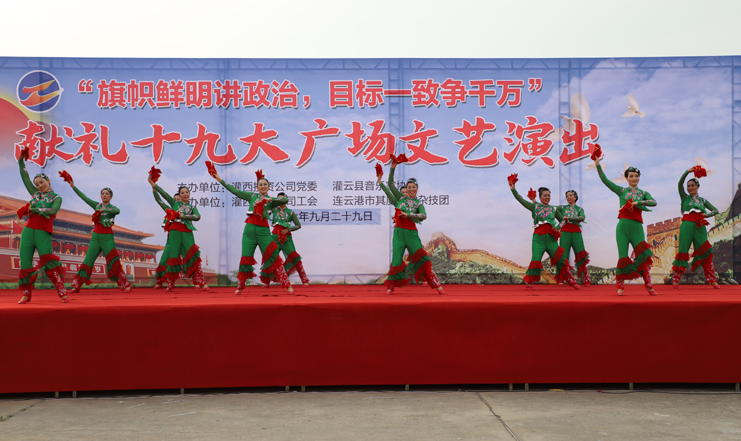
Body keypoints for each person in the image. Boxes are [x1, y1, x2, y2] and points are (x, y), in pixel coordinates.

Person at [209, 168, 293, 294]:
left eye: (265, 184)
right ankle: (240, 285)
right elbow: (235, 191)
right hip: (249, 231)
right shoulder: (252, 196)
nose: (263, 186)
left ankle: (287, 284)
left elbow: (285, 200)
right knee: (245, 257)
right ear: (257, 187)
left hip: (263, 232)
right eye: (260, 185)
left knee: (273, 256)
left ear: (268, 187)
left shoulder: (271, 201)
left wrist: (271, 199)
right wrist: (219, 179)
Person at [377, 158, 444, 295]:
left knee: (422, 258)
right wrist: (392, 168)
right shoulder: (401, 199)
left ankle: (436, 285)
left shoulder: (418, 204)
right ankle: (391, 286)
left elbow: (423, 216)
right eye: (409, 187)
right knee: (396, 259)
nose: (411, 189)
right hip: (398, 234)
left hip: (411, 234)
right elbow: (390, 185)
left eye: (414, 187)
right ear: (406, 189)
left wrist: (408, 215)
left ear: (417, 189)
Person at [594, 155, 657, 295]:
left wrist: (638, 202)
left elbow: (654, 202)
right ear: (626, 178)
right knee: (622, 256)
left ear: (639, 178)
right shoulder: (622, 191)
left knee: (642, 257)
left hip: (637, 228)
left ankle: (648, 284)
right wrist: (597, 165)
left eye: (636, 176)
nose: (634, 178)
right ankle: (620, 285)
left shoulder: (643, 193)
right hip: (622, 228)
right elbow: (605, 181)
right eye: (631, 176)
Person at [16, 152, 67, 304]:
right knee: (25, 262)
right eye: (37, 184)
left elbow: (52, 211)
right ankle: (26, 293)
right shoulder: (35, 194)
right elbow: (25, 177)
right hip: (28, 231)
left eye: (41, 182)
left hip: (43, 232)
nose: (39, 186)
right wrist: (21, 162)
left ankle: (61, 290)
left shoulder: (56, 198)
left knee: (48, 261)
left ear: (48, 181)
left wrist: (35, 209)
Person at [66, 175, 132, 293]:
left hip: (107, 238)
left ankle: (124, 284)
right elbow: (84, 197)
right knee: (88, 260)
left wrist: (104, 210)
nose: (104, 195)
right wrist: (73, 187)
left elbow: (117, 211)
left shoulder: (112, 208)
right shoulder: (96, 205)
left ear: (111, 196)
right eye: (102, 193)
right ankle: (77, 285)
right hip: (95, 237)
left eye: (107, 194)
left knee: (113, 261)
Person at [509, 181, 579, 290]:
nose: (547, 197)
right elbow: (521, 200)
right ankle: (530, 281)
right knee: (535, 260)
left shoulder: (553, 209)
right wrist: (513, 189)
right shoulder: (535, 207)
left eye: (549, 195)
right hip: (538, 240)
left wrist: (558, 227)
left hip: (551, 240)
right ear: (540, 197)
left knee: (560, 259)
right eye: (545, 195)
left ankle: (570, 279)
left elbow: (563, 220)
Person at [148, 174, 209, 292]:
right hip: (175, 231)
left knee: (192, 256)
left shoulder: (192, 207)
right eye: (182, 193)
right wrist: (152, 184)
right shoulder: (174, 204)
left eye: (187, 192)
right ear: (179, 195)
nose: (185, 194)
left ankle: (201, 282)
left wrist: (184, 216)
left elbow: (197, 217)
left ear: (189, 194)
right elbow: (163, 194)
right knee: (174, 256)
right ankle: (170, 283)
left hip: (187, 232)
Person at [671, 167, 720, 288]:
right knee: (683, 250)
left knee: (704, 251)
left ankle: (712, 279)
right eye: (688, 186)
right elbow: (680, 183)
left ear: (697, 186)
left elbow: (715, 210)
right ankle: (676, 279)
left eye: (692, 185)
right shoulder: (684, 198)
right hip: (686, 225)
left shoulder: (703, 200)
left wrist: (707, 215)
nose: (690, 187)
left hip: (700, 226)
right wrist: (688, 171)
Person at [269, 192, 310, 287]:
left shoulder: (290, 212)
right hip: (275, 237)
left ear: (286, 200)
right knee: (271, 257)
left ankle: (304, 280)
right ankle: (267, 281)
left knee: (294, 257)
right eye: (278, 199)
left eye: (282, 199)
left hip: (287, 238)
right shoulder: (274, 209)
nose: (280, 201)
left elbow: (298, 225)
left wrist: (288, 230)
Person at [557, 190, 591, 286]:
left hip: (576, 232)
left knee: (580, 253)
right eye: (567, 196)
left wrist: (570, 218)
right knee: (563, 254)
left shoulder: (579, 209)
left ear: (575, 197)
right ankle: (562, 277)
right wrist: (535, 202)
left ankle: (584, 277)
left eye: (570, 195)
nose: (568, 197)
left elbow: (582, 217)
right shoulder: (562, 207)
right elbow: (550, 208)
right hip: (565, 232)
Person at [151, 190, 180, 289]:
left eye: (178, 200)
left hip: (183, 239)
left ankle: (200, 283)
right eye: (175, 200)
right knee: (164, 261)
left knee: (191, 260)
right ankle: (160, 281)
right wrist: (154, 190)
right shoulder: (169, 212)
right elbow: (159, 200)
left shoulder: (186, 211)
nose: (176, 201)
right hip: (171, 240)